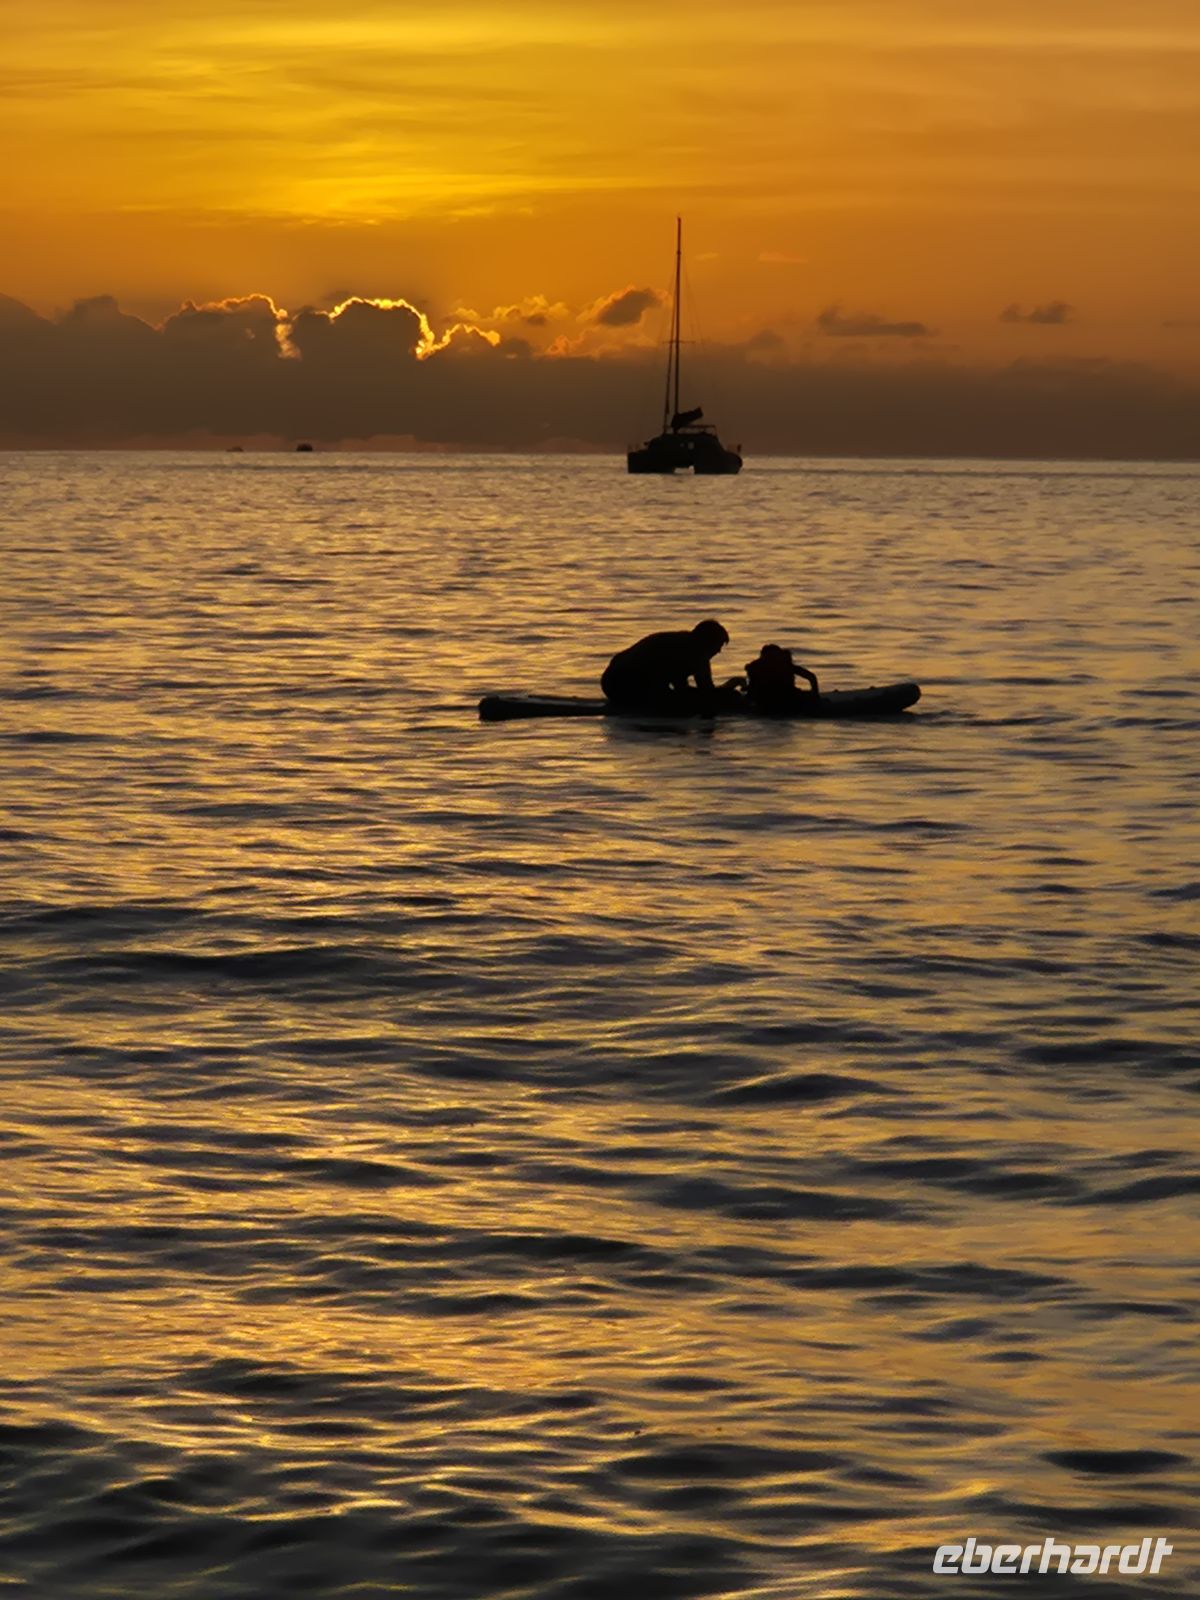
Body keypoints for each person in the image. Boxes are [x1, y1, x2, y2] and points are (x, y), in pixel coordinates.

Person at [600, 618, 731, 709]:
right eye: (717, 646)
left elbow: (705, 688)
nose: (718, 651)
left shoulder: (695, 649)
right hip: (620, 683)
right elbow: (685, 689)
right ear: (707, 642)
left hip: (617, 680)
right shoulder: (687, 650)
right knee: (678, 706)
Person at [743, 643, 820, 714]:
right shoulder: (786, 666)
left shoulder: (755, 667)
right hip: (788, 699)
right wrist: (815, 694)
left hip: (766, 701)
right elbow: (811, 677)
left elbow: (752, 688)